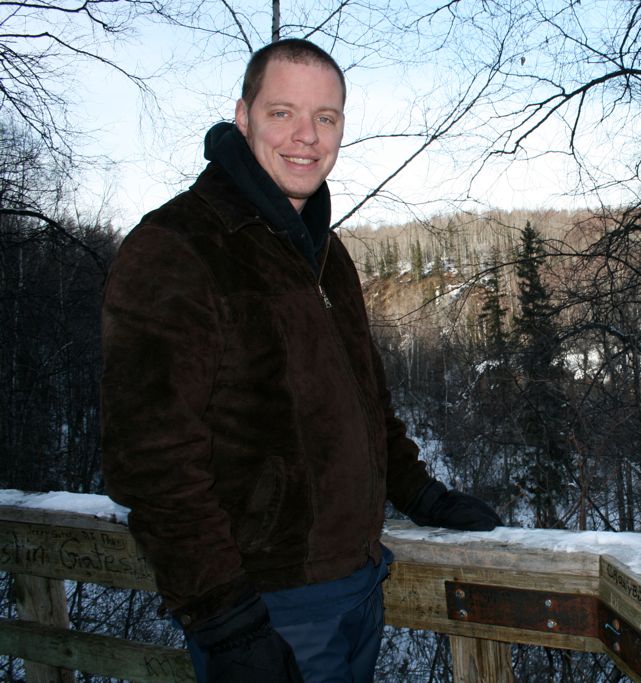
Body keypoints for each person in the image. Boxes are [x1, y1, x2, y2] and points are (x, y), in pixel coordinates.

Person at [101, 38, 501, 683]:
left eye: (327, 117)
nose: (306, 137)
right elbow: (150, 464)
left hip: (358, 582)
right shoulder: (177, 247)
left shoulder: (324, 250)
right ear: (243, 116)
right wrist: (227, 624)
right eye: (282, 112)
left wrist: (419, 492)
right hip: (266, 601)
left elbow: (365, 398)